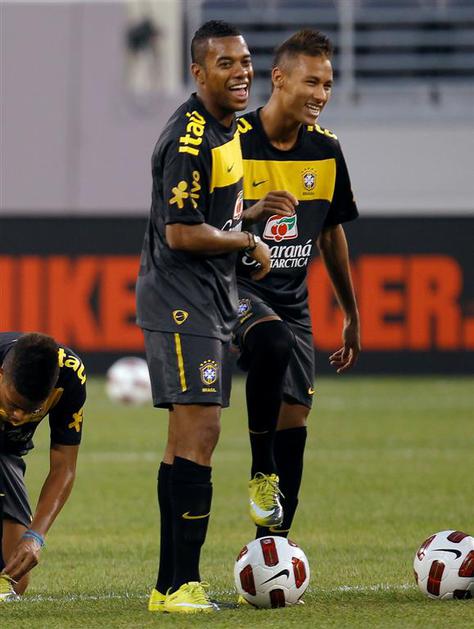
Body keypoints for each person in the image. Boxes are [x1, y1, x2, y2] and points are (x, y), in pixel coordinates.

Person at [136, 20, 291, 614]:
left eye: (245, 61)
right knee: (198, 436)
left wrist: (248, 213)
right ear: (198, 72)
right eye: (226, 63)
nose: (242, 72)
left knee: (187, 437)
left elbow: (207, 212)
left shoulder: (226, 127)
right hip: (184, 299)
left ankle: (168, 585)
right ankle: (181, 585)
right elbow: (181, 232)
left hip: (211, 294)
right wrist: (247, 241)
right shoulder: (191, 138)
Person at [234, 29, 361, 538]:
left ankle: (274, 548)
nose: (321, 94)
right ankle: (260, 469)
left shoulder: (326, 149)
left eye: (327, 84)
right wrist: (250, 215)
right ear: (279, 79)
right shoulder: (234, 141)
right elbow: (198, 223)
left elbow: (330, 233)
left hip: (292, 299)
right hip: (230, 288)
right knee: (272, 342)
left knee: (296, 414)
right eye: (311, 81)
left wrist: (350, 313)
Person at [0, 332, 86, 601]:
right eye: (13, 404)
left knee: (13, 580)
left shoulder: (69, 376)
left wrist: (35, 536)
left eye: (31, 410)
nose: (18, 417)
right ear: (2, 374)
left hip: (7, 453)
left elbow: (64, 466)